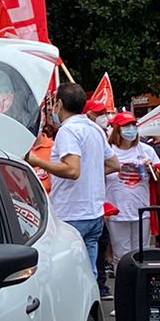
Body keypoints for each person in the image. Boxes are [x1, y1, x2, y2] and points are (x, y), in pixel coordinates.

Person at [26, 82, 116, 266]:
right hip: (94, 212)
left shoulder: (68, 130)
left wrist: (37, 161)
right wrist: (91, 173)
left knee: (69, 270)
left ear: (59, 104)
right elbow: (114, 164)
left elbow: (72, 170)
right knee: (88, 270)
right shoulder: (95, 129)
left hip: (71, 212)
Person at [105, 112, 154, 267]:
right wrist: (115, 168)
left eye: (133, 125)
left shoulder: (146, 150)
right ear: (117, 129)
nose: (131, 129)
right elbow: (96, 174)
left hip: (142, 210)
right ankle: (125, 288)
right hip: (117, 210)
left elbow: (159, 178)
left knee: (142, 253)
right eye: (126, 126)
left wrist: (152, 169)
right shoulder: (108, 151)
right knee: (121, 255)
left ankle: (141, 287)